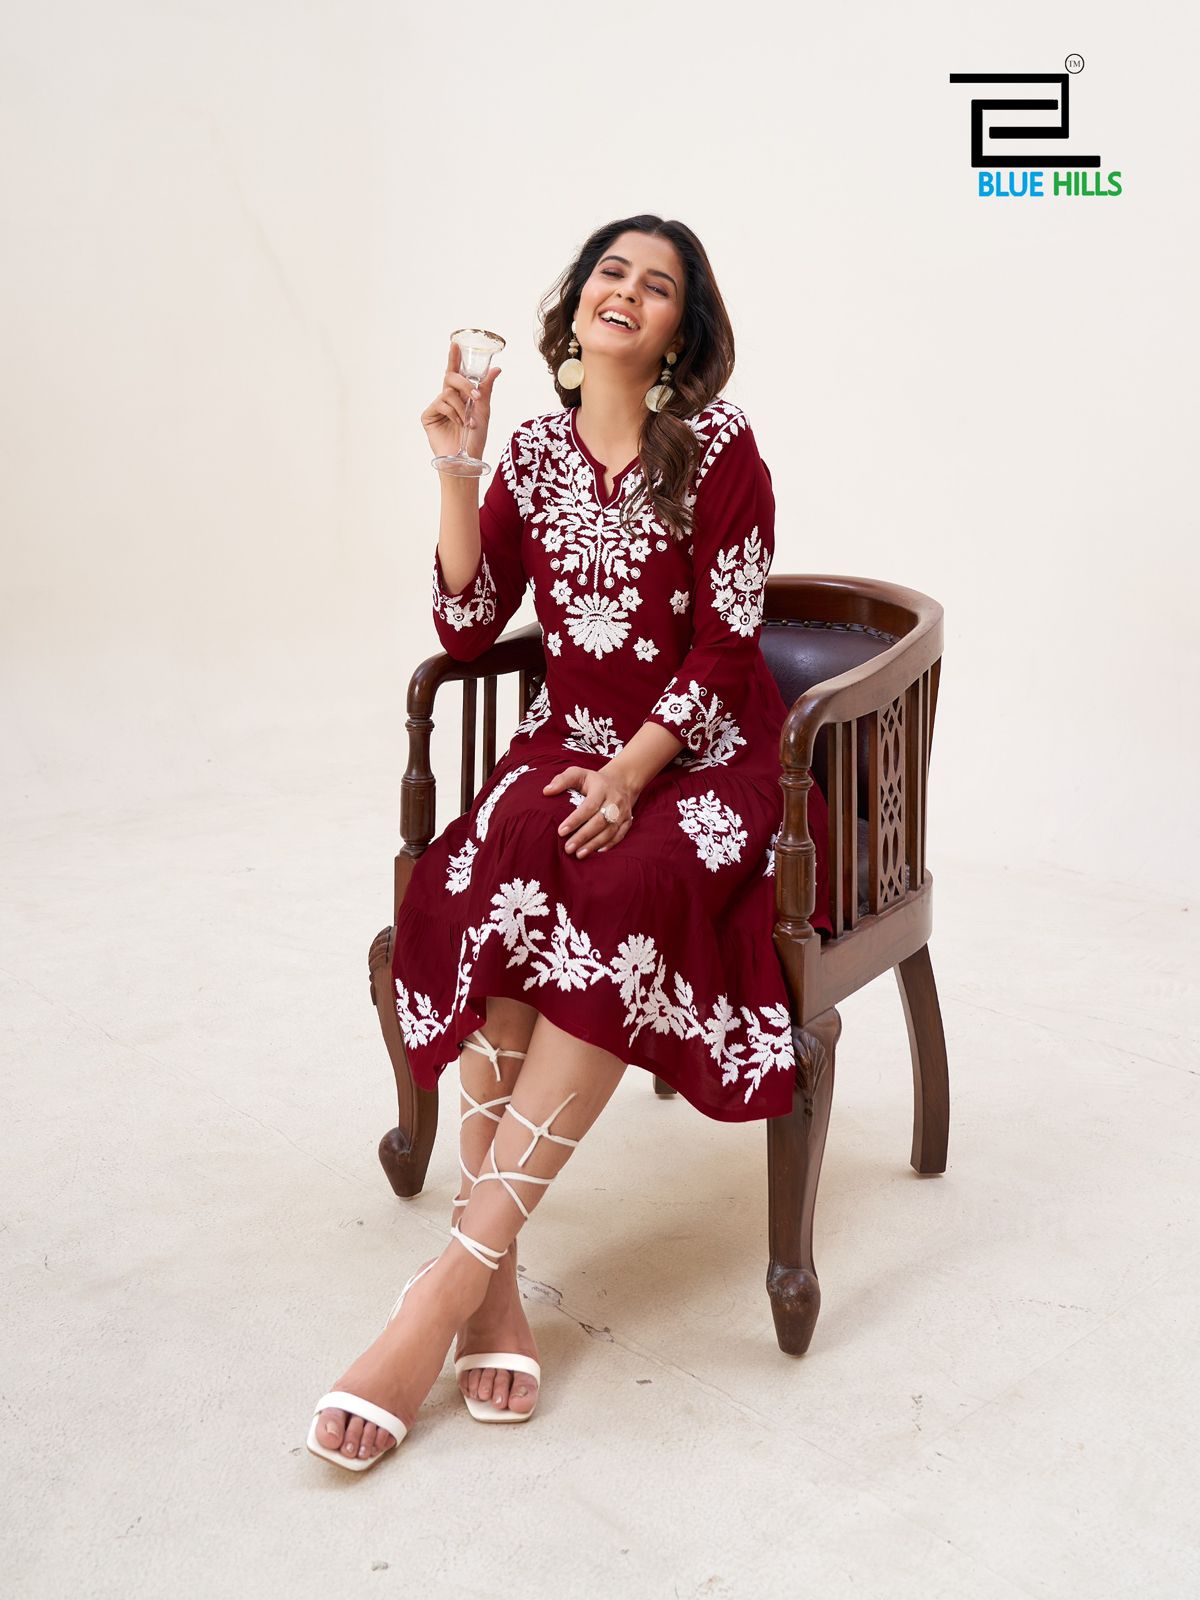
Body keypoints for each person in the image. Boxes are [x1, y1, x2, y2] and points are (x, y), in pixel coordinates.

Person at [307, 214, 833, 1471]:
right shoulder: (536, 455)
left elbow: (728, 646)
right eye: (612, 270)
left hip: (704, 758)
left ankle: (439, 1292)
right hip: (566, 741)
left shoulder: (721, 449)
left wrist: (635, 772)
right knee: (492, 876)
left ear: (681, 331)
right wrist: (458, 467)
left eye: (660, 286)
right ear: (579, 302)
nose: (628, 291)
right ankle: (492, 1285)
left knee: (616, 893)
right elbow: (473, 621)